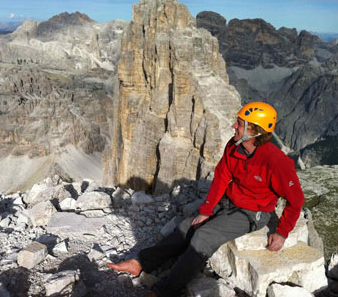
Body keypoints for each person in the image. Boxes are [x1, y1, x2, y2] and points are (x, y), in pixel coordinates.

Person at [107, 102, 305, 297]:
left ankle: (163, 291)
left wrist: (282, 232)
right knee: (187, 226)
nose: (233, 126)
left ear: (255, 130)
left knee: (203, 237)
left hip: (252, 213)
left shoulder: (276, 162)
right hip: (229, 201)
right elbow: (221, 178)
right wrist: (206, 210)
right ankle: (141, 263)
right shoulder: (234, 146)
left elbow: (296, 200)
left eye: (240, 123)